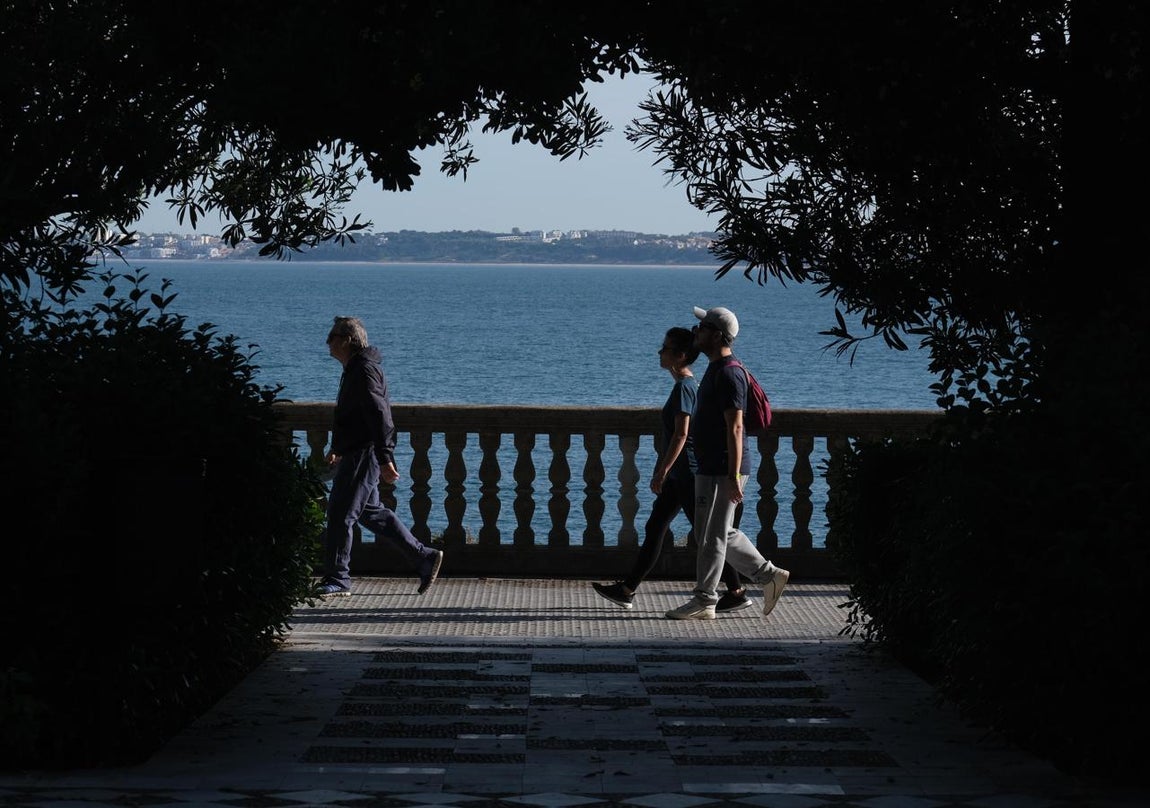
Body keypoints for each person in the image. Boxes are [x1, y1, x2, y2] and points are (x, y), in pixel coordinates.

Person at [591, 327, 753, 613]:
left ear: (680, 355)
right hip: (680, 474)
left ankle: (738, 590)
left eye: (665, 348)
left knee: (709, 535)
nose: (660, 352)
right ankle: (627, 589)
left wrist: (662, 471)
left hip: (686, 474)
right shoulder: (686, 385)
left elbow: (681, 434)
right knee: (659, 527)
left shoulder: (685, 388)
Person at [665, 306, 790, 620]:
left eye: (703, 327)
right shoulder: (715, 368)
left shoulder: (730, 373)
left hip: (724, 466)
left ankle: (705, 599)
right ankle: (769, 575)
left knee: (713, 536)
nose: (696, 332)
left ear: (717, 335)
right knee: (711, 532)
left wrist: (734, 475)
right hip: (710, 465)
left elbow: (736, 427)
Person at [314, 316, 443, 597]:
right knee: (370, 513)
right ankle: (424, 557)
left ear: (348, 340)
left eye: (332, 336)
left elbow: (379, 415)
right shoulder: (355, 369)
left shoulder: (363, 370)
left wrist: (385, 458)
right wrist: (337, 447)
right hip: (358, 450)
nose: (327, 342)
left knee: (340, 513)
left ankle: (338, 578)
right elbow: (354, 416)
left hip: (364, 452)